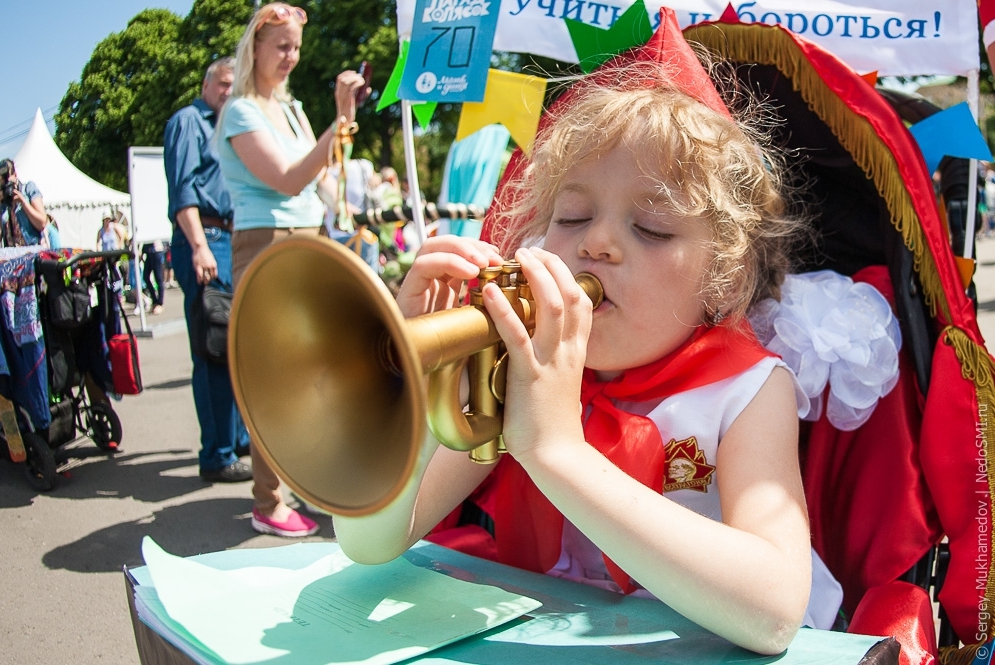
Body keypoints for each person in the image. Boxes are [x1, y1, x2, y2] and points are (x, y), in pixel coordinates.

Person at [332, 14, 830, 655]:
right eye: (571, 217)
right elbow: (369, 543)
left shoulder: (750, 389)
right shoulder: (521, 370)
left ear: (724, 281)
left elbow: (775, 610)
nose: (596, 242)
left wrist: (558, 451)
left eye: (651, 228)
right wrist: (413, 390)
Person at [215, 2, 365, 537]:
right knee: (275, 375)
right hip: (265, 244)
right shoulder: (240, 112)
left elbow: (320, 180)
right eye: (281, 45)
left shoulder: (293, 109)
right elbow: (286, 179)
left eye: (296, 47)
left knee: (317, 370)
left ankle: (310, 482)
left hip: (308, 239)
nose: (290, 56)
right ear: (253, 46)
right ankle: (267, 501)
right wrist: (340, 121)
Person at [163, 56, 252, 485]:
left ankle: (234, 441)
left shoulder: (229, 128)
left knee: (233, 348)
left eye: (236, 86)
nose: (229, 92)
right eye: (223, 84)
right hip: (206, 240)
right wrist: (199, 246)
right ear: (206, 84)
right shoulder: (188, 122)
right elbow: (183, 191)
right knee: (214, 350)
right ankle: (216, 455)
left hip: (229, 241)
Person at [0, 159, 47, 247]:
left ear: (15, 174)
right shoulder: (2, 203)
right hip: (13, 256)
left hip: (33, 252)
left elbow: (42, 224)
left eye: (8, 181)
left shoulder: (28, 189)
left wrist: (23, 202)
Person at [141, 240, 166, 314]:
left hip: (156, 250)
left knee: (158, 278)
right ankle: (155, 300)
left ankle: (160, 303)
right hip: (148, 251)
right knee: (146, 276)